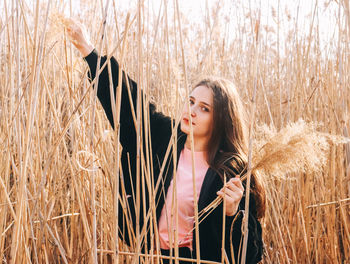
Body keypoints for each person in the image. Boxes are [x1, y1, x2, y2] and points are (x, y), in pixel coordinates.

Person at [66, 19, 265, 264]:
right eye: (191, 101)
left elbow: (252, 255)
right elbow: (128, 104)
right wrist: (88, 51)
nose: (191, 110)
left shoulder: (231, 169)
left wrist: (232, 213)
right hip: (151, 257)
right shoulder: (164, 137)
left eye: (204, 109)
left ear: (222, 119)